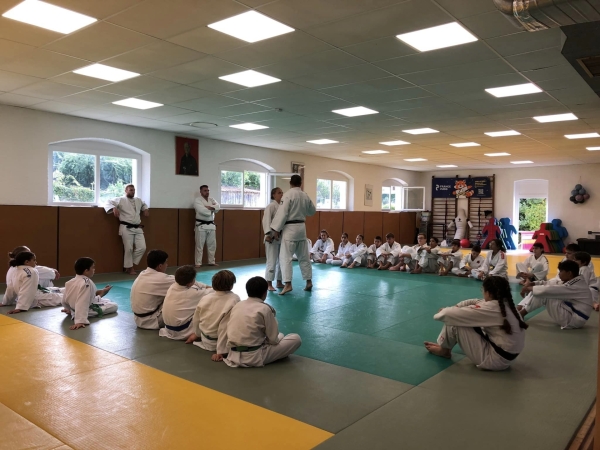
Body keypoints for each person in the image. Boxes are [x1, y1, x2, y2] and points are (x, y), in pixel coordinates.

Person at [424, 276, 527, 371]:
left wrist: (444, 311)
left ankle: (444, 350)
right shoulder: (505, 305)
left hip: (493, 360)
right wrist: (456, 307)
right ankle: (444, 347)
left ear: (489, 293)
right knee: (461, 316)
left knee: (455, 321)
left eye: (483, 290)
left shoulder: (491, 308)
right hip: (506, 357)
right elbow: (475, 301)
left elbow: (446, 314)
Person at [220, 276, 302, 367]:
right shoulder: (265, 308)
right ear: (265, 293)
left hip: (233, 355)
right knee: (295, 338)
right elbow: (273, 340)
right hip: (255, 356)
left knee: (281, 335)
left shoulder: (238, 305)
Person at [270, 175, 316, 295]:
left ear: (290, 183)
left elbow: (283, 214)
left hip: (290, 228)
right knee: (304, 257)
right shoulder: (305, 195)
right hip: (301, 228)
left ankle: (288, 284)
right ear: (301, 183)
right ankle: (308, 281)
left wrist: (276, 229)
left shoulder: (288, 195)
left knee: (286, 257)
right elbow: (312, 211)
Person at [518, 260, 593, 329]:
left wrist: (528, 288)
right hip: (574, 314)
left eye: (561, 272)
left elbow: (549, 290)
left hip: (575, 319)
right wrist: (533, 283)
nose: (559, 274)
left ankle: (521, 313)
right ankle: (522, 312)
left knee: (546, 293)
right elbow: (552, 283)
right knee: (545, 290)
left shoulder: (575, 285)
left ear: (569, 273)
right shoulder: (574, 280)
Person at [186, 270, 240, 360]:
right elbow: (224, 327)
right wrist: (221, 351)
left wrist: (196, 333)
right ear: (231, 286)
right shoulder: (234, 299)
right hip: (220, 343)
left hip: (205, 340)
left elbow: (196, 319)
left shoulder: (205, 298)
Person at [61, 257, 118, 330]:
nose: (94, 270)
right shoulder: (86, 283)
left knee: (106, 300)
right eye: (93, 268)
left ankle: (73, 311)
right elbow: (82, 301)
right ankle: (78, 315)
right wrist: (80, 321)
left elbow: (64, 299)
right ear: (86, 271)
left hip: (73, 308)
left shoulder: (70, 281)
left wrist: (68, 308)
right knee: (114, 305)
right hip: (85, 310)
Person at [105, 184, 149, 275]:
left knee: (142, 247)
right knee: (128, 248)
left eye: (133, 190)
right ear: (126, 190)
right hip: (126, 227)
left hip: (137, 227)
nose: (132, 192)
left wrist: (145, 209)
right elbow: (108, 202)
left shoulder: (138, 200)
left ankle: (129, 265)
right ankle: (130, 268)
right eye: (130, 190)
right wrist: (114, 208)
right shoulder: (121, 199)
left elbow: (144, 204)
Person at [159, 265, 212, 341]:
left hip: (169, 329)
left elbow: (195, 283)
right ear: (190, 283)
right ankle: (197, 333)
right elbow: (215, 291)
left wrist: (205, 286)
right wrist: (208, 287)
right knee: (208, 305)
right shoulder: (193, 293)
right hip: (183, 332)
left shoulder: (172, 286)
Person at [130, 250, 175, 330]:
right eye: (166, 263)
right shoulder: (161, 279)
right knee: (181, 292)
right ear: (160, 266)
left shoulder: (143, 273)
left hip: (138, 320)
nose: (167, 265)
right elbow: (185, 280)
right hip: (153, 320)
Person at [263, 187, 284, 291]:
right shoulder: (271, 206)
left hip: (281, 236)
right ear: (273, 195)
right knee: (271, 260)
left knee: (281, 260)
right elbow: (266, 220)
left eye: (282, 193)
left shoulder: (283, 206)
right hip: (271, 237)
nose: (281, 194)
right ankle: (269, 283)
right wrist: (268, 234)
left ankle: (279, 281)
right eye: (279, 193)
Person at [194, 185, 220, 268]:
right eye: (205, 190)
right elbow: (202, 211)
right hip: (201, 225)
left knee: (212, 245)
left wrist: (209, 207)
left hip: (211, 225)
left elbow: (218, 207)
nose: (207, 192)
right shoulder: (197, 200)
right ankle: (198, 263)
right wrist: (212, 209)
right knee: (199, 245)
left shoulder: (212, 199)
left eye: (208, 190)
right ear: (201, 192)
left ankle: (211, 261)